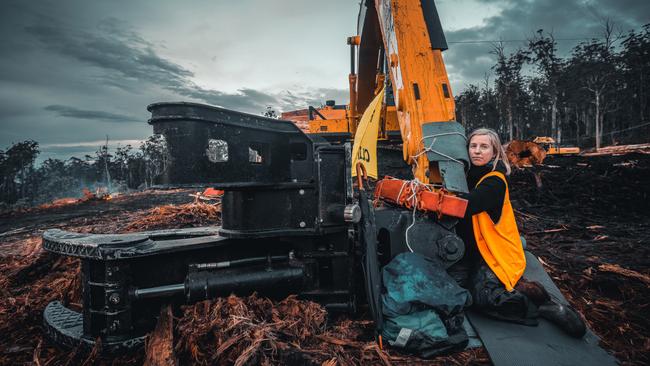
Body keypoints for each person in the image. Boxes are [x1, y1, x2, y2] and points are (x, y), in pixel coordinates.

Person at [451, 127, 586, 338]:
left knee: (484, 298)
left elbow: (466, 205)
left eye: (484, 146)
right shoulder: (464, 175)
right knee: (455, 293)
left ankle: (540, 305)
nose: (477, 151)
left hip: (494, 251)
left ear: (494, 152)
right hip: (471, 251)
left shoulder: (494, 181)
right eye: (473, 146)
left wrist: (430, 199)